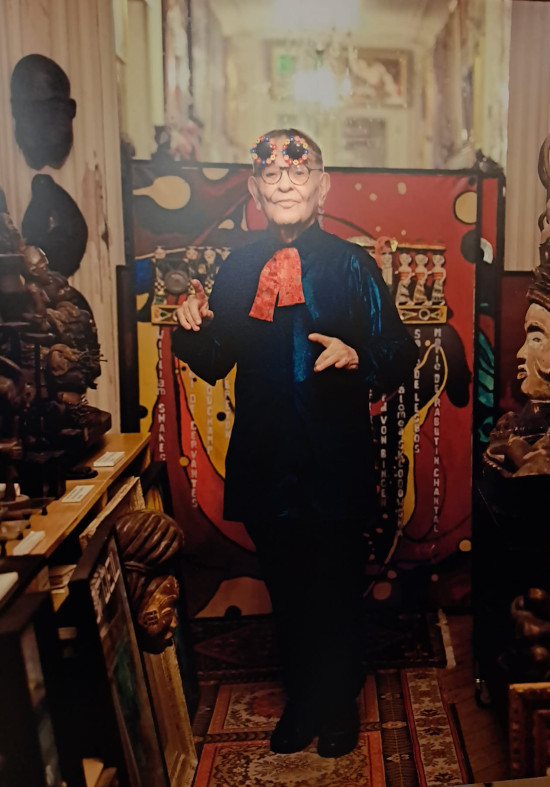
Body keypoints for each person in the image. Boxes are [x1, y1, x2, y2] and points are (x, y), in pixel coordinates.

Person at [172, 129, 418, 758]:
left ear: (322, 187)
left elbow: (400, 350)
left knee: (335, 585)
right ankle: (303, 699)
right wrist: (190, 326)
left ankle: (336, 704)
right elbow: (215, 358)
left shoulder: (354, 265)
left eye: (298, 174)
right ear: (254, 191)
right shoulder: (238, 267)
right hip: (265, 458)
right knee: (286, 588)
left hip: (334, 459)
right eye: (271, 176)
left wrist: (358, 355)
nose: (285, 184)